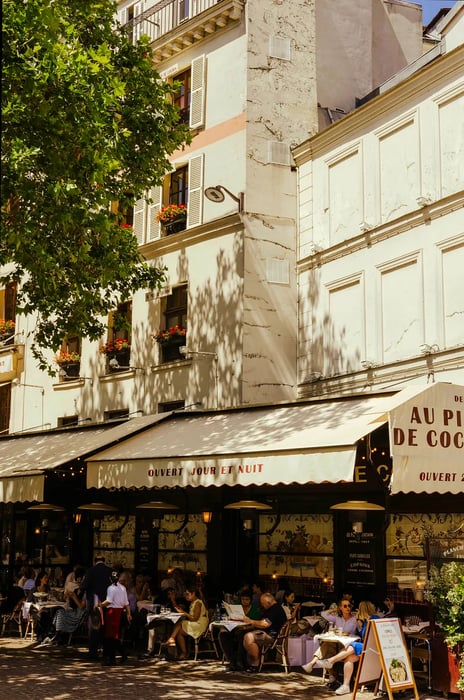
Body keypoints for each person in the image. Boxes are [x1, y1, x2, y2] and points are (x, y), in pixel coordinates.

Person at [317, 600, 379, 695]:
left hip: (372, 648)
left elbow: (369, 637)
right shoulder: (365, 620)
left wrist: (363, 623)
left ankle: (330, 661)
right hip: (365, 648)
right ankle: (346, 686)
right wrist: (361, 624)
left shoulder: (374, 619)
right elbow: (363, 635)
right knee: (348, 658)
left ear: (363, 610)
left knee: (352, 645)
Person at [302, 597, 358, 685]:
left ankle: (313, 665)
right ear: (340, 608)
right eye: (345, 606)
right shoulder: (337, 618)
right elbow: (323, 614)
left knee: (326, 646)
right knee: (327, 645)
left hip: (347, 645)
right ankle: (329, 674)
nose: (348, 608)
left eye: (349, 606)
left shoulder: (354, 619)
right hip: (336, 643)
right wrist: (334, 609)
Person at [242, 592, 287, 673]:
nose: (262, 605)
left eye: (263, 603)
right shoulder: (272, 608)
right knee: (243, 634)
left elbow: (265, 624)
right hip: (268, 634)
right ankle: (243, 662)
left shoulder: (275, 610)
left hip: (273, 637)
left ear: (268, 602)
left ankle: (254, 664)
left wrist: (250, 621)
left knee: (249, 637)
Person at [218, 588, 262, 671]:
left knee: (242, 635)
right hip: (235, 627)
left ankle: (239, 661)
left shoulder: (255, 610)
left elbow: (255, 624)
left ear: (250, 600)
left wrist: (245, 627)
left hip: (248, 629)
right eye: (243, 599)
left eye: (247, 599)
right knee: (223, 634)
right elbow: (229, 616)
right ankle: (232, 660)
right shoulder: (236, 606)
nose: (245, 601)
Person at [80, 555, 112, 660]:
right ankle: (106, 651)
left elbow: (83, 586)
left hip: (94, 602)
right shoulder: (109, 571)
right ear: (104, 561)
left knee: (94, 628)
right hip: (107, 602)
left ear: (95, 561)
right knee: (106, 627)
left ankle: (93, 653)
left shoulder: (90, 571)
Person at [165, 583, 208, 660]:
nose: (186, 596)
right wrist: (173, 600)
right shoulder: (192, 602)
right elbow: (178, 609)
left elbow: (195, 618)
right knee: (179, 632)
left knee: (181, 622)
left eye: (188, 594)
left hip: (199, 625)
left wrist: (184, 612)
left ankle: (171, 638)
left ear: (193, 594)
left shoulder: (198, 603)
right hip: (194, 623)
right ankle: (183, 653)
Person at [99, 570, 132, 666]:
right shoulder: (123, 588)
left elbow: (109, 601)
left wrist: (99, 605)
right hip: (120, 612)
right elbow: (126, 603)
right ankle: (116, 655)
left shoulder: (111, 588)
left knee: (109, 636)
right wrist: (128, 614)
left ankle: (111, 657)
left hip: (112, 612)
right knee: (114, 635)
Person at [53, 566, 87, 644]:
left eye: (79, 578)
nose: (78, 580)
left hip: (79, 614)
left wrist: (74, 596)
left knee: (60, 613)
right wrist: (68, 596)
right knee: (59, 611)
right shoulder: (76, 588)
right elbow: (68, 600)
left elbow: (81, 606)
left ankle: (59, 636)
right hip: (73, 610)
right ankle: (58, 635)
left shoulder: (86, 592)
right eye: (77, 578)